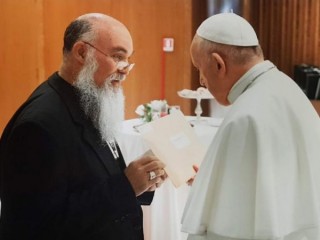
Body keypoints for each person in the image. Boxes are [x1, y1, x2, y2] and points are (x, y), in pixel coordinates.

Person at [0, 13, 167, 240]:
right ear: (81, 52)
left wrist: (141, 184)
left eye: (128, 59)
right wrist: (126, 187)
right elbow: (38, 225)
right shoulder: (38, 126)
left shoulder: (89, 100)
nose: (125, 69)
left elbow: (92, 182)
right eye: (118, 57)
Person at [181, 13, 320, 240]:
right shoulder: (287, 88)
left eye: (199, 68)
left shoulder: (245, 117)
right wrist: (214, 182)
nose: (201, 81)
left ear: (218, 64)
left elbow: (231, 228)